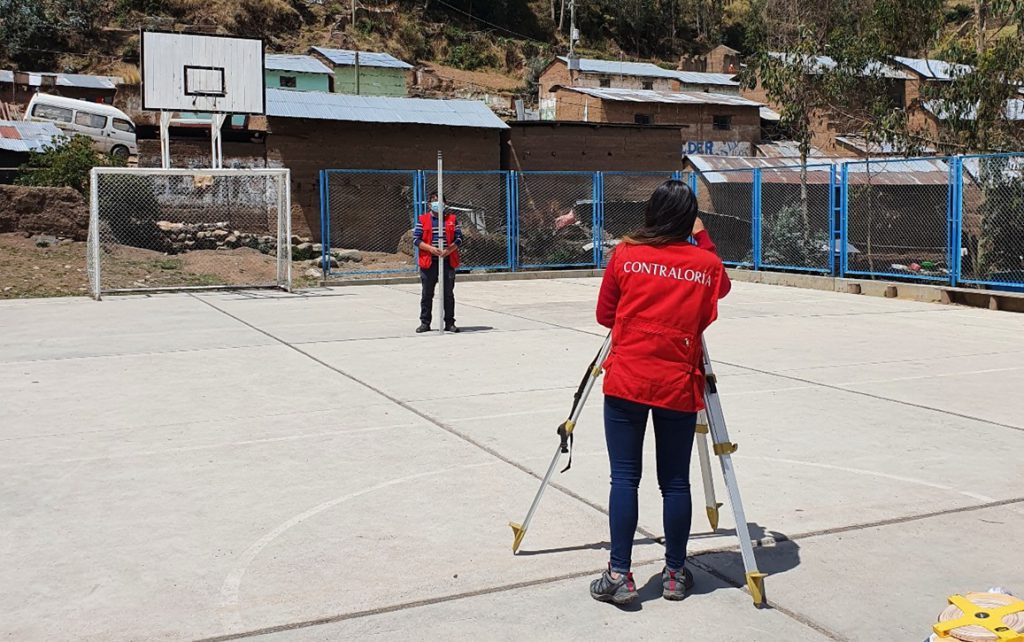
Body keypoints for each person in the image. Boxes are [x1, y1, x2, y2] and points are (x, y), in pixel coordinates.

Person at [589, 179, 731, 605]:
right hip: (677, 384)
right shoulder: (704, 265)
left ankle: (619, 573)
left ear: (651, 212)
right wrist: (701, 235)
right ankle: (673, 573)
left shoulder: (626, 254)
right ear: (688, 219)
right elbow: (720, 288)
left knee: (624, 479)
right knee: (675, 482)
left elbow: (604, 316)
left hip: (628, 379)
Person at [413, 192, 463, 333]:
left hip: (447, 261)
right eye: (434, 201)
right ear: (429, 204)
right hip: (429, 262)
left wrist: (449, 249)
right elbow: (416, 239)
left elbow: (459, 239)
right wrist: (431, 249)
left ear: (445, 204)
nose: (437, 203)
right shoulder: (422, 219)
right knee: (427, 293)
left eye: (440, 201)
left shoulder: (452, 219)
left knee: (448, 293)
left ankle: (449, 322)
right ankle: (425, 322)